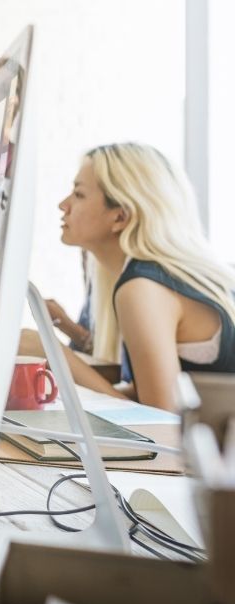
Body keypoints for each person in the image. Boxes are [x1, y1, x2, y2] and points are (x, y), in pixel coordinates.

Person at [27, 142, 235, 411]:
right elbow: (150, 393)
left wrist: (51, 352)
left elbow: (162, 422)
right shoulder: (155, 277)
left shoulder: (142, 288)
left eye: (78, 194)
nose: (63, 204)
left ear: (120, 216)